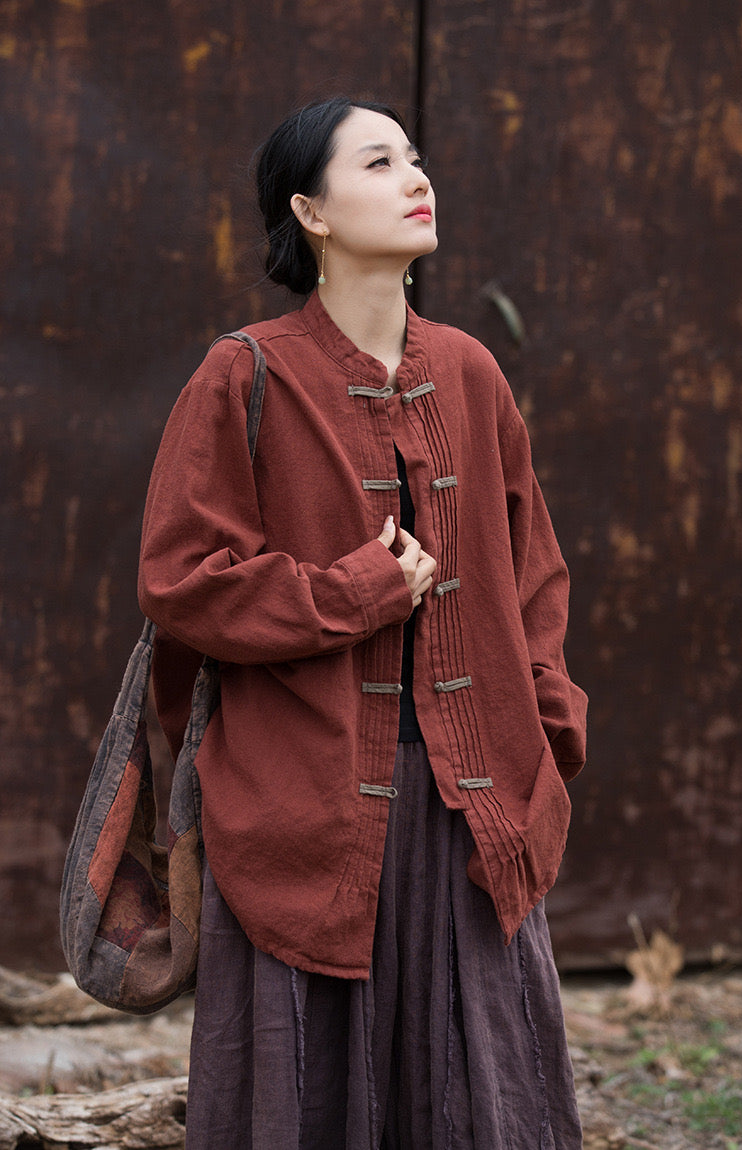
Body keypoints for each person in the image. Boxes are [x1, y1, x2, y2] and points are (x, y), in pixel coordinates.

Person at [138, 96, 588, 1150]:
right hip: (305, 804)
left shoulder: (470, 370)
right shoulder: (244, 372)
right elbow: (182, 578)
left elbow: (535, 572)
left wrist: (550, 727)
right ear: (311, 211)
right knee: (311, 1097)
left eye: (415, 158)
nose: (415, 178)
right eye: (378, 163)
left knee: (483, 1098)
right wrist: (355, 592)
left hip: (474, 801)